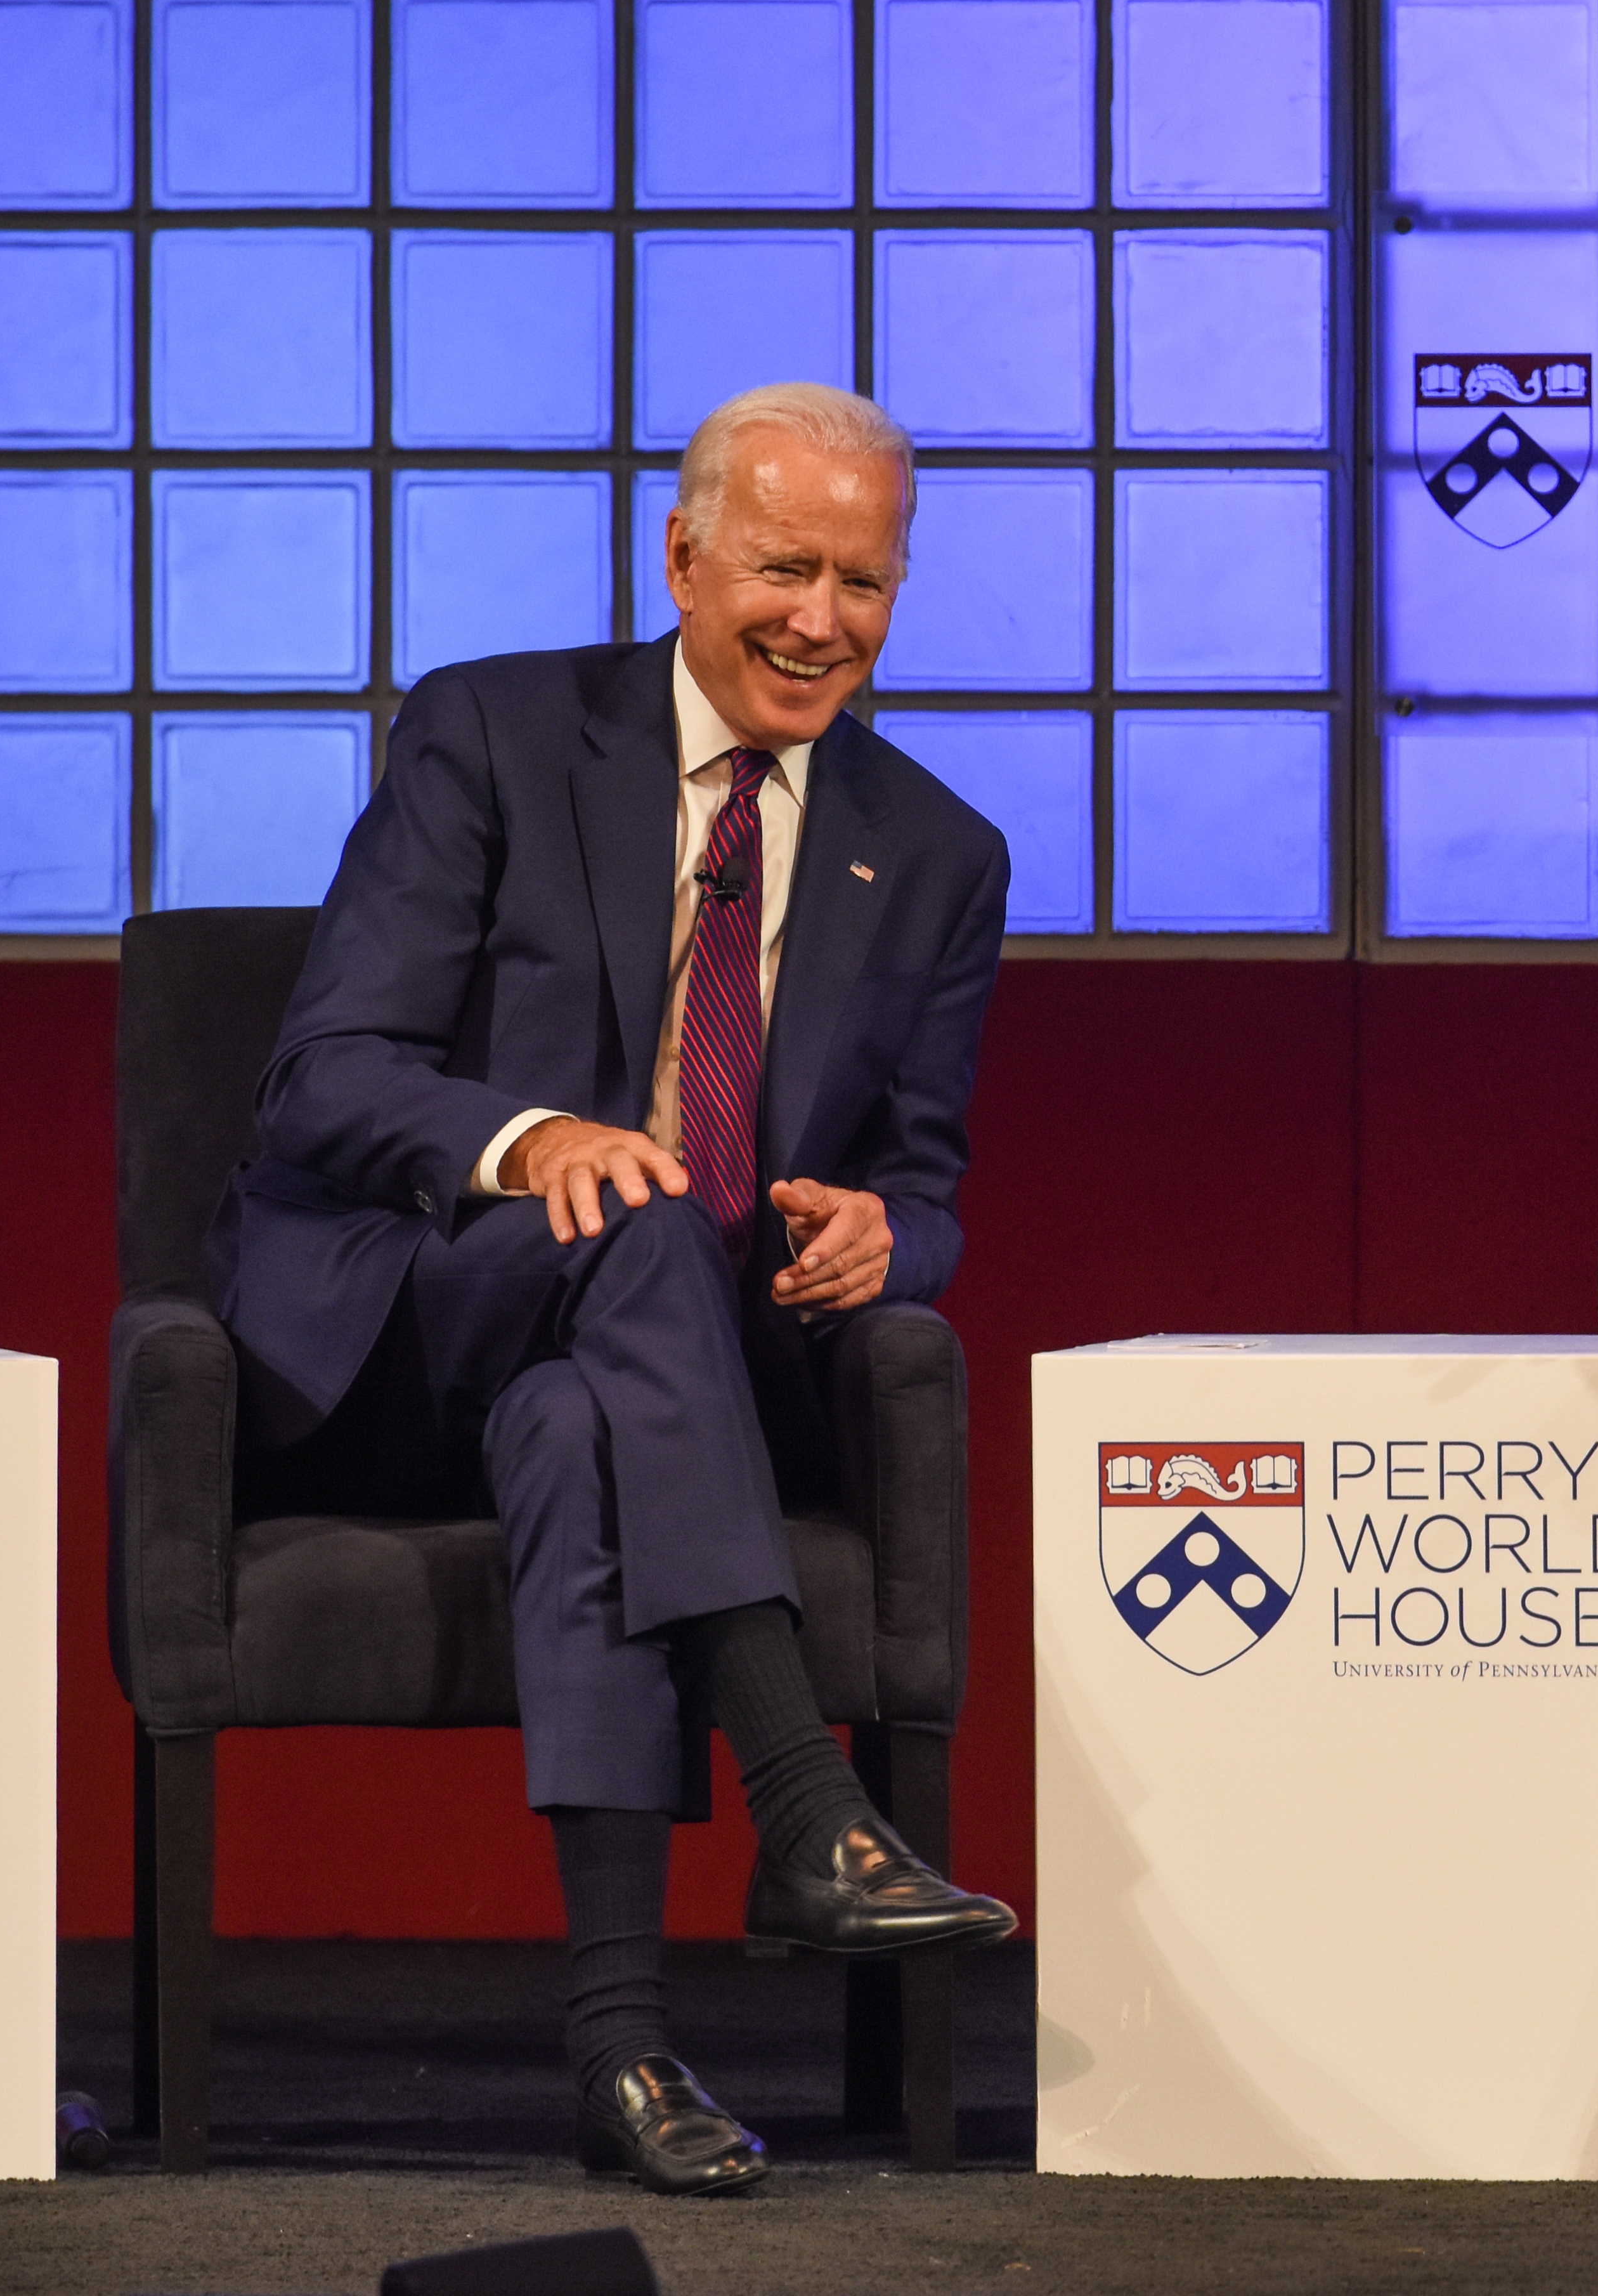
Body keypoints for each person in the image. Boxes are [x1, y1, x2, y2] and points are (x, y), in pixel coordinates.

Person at [209, 381, 1017, 2197]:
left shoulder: (937, 853)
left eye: (865, 583)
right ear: (684, 557)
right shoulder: (494, 733)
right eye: (785, 568)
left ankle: (624, 2048)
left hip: (661, 1382)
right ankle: (802, 1801)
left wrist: (883, 1240)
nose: (821, 620)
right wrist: (536, 1142)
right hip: (414, 1318)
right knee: (638, 1216)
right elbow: (322, 1079)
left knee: (588, 1419)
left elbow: (929, 1191)